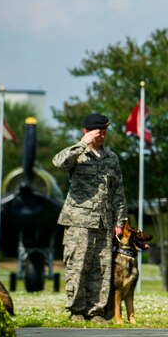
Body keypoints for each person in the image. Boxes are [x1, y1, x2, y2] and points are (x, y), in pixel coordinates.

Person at [53, 113, 127, 322]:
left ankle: (95, 312)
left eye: (104, 132)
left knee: (101, 270)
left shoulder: (111, 158)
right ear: (87, 131)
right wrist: (81, 144)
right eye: (98, 132)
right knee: (78, 266)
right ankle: (76, 311)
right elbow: (58, 163)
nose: (102, 135)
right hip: (78, 222)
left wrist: (119, 222)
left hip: (104, 223)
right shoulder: (78, 154)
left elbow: (118, 193)